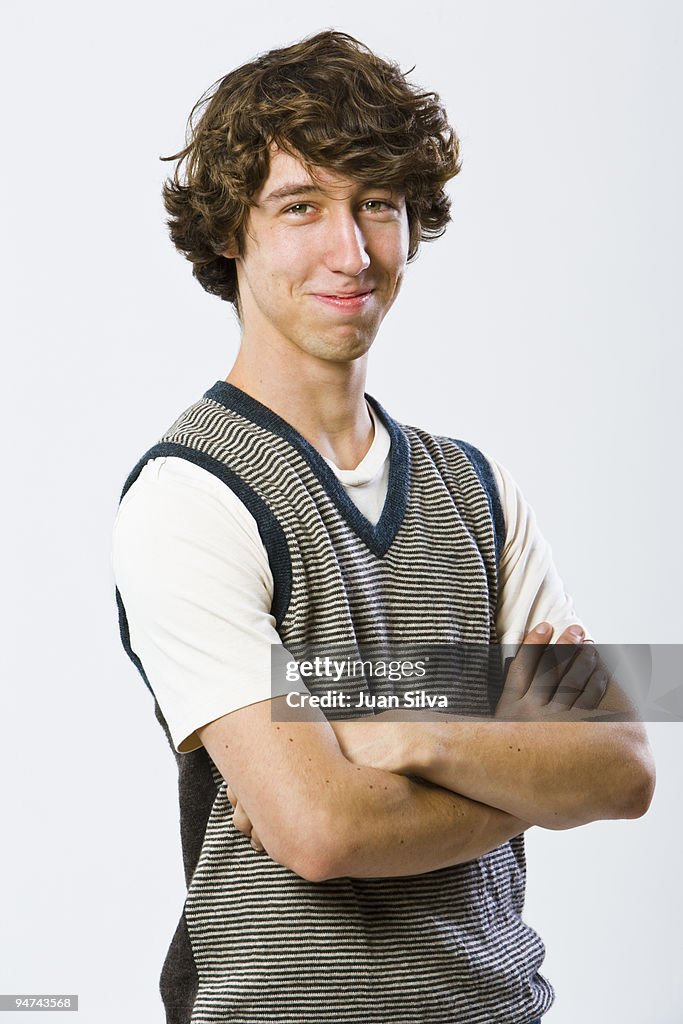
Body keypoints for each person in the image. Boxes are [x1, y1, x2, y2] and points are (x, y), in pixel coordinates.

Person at [112, 29, 655, 1024]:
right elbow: (319, 827)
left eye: (378, 205)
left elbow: (620, 769)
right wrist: (516, 752)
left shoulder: (478, 491)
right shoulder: (190, 498)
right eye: (301, 207)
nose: (351, 250)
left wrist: (400, 729)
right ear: (231, 231)